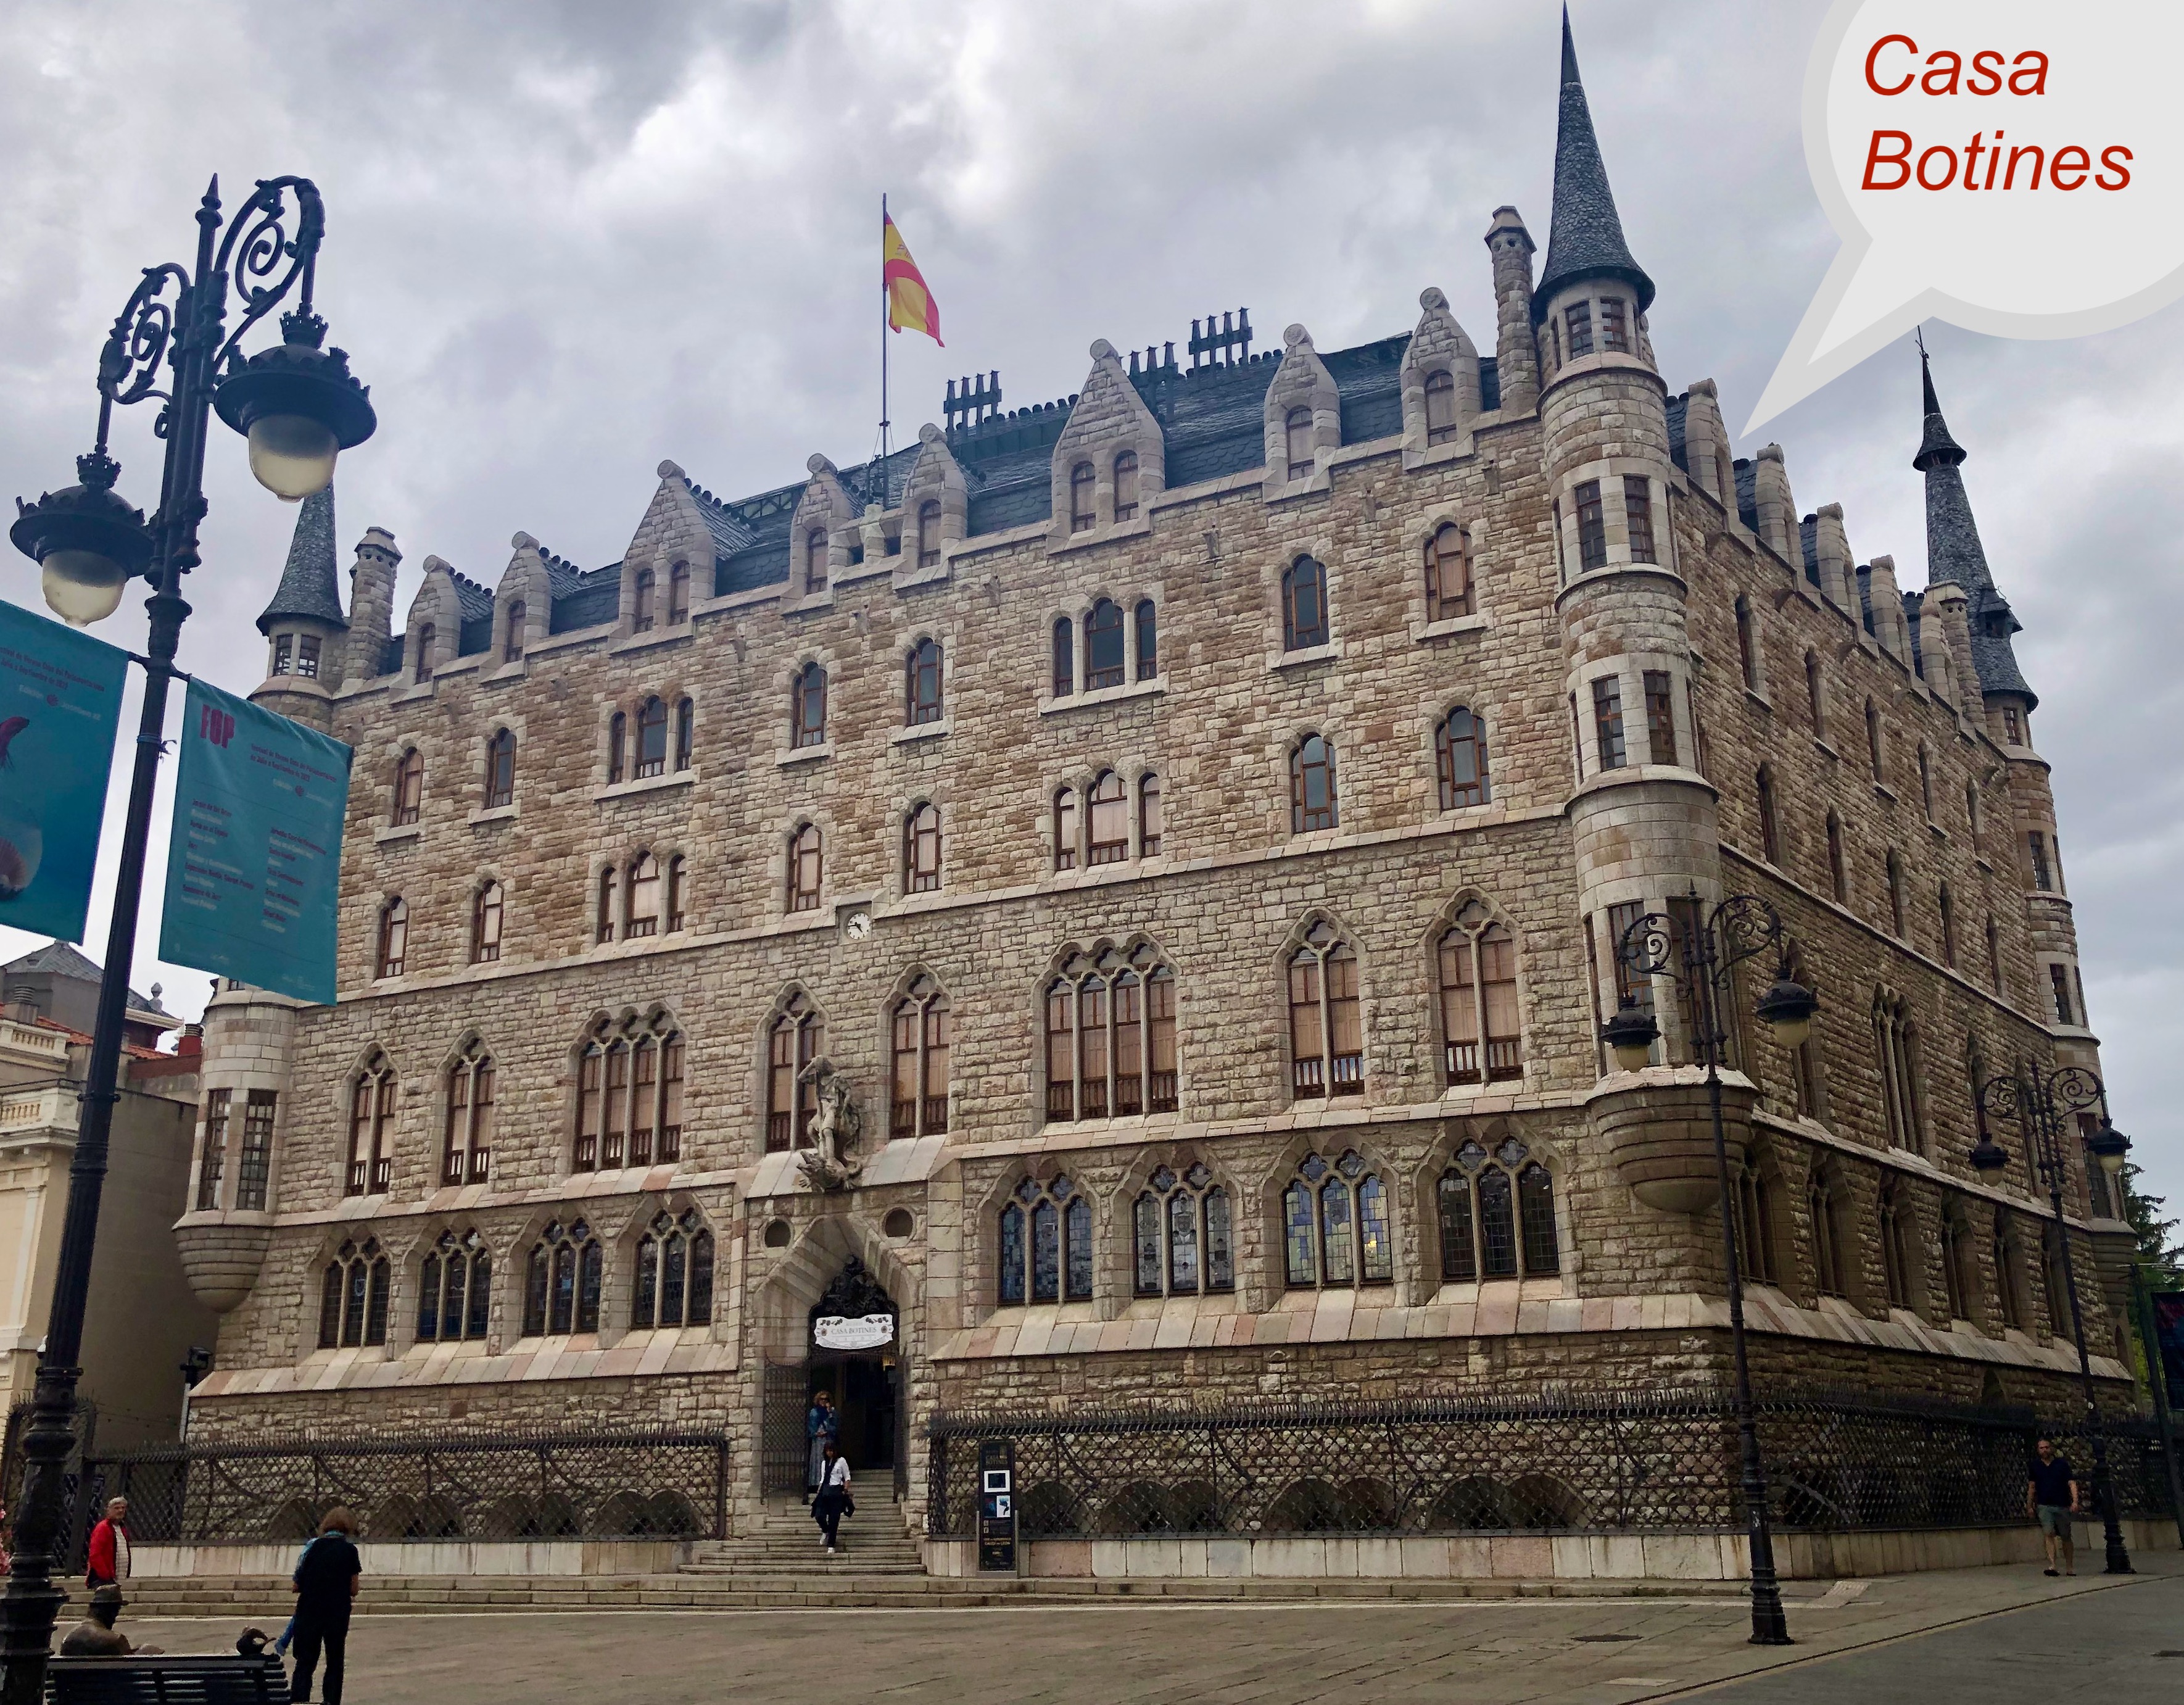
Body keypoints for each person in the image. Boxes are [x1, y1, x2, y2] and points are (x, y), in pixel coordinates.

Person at [287, 1506, 361, 1705]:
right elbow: (354, 1588)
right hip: (336, 1611)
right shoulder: (349, 1550)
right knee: (334, 1659)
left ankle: (299, 1699)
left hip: (309, 1609)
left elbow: (297, 1584)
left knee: (306, 1660)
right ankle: (331, 1700)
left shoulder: (312, 1548)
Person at [2027, 1435, 2080, 1577]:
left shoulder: (2061, 1464)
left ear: (2051, 1448)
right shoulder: (2036, 1466)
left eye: (2046, 1447)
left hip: (2062, 1504)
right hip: (2044, 1505)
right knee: (2049, 1533)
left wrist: (2075, 1501)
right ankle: (2053, 1565)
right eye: (2041, 1448)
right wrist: (2029, 1505)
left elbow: (2071, 1483)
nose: (2044, 1450)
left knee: (2066, 1536)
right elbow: (2032, 1486)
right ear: (2038, 1450)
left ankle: (2069, 1566)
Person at [59, 1584, 162, 1656]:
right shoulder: (116, 1640)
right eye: (116, 1610)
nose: (116, 1615)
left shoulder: (69, 1639)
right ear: (110, 1611)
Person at [811, 1442, 853, 1554]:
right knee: (819, 1515)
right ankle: (825, 1530)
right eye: (827, 1451)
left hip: (836, 1491)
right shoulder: (824, 1463)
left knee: (834, 1520)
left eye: (831, 1451)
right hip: (825, 1491)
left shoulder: (841, 1461)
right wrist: (819, 1492)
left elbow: (847, 1476)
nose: (829, 1453)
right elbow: (823, 1478)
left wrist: (845, 1490)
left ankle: (831, 1544)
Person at [84, 1496, 130, 1591]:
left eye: (123, 1508)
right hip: (103, 1579)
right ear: (109, 1511)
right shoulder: (103, 1528)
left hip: (115, 1579)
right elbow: (95, 1554)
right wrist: (105, 1575)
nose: (120, 1510)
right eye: (117, 1508)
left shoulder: (121, 1529)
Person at [805, 1390, 838, 1502]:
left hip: (828, 1439)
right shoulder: (814, 1412)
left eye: (826, 1400)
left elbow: (834, 1424)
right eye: (822, 1399)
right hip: (818, 1439)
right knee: (818, 1459)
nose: (824, 1401)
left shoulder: (832, 1412)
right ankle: (816, 1483)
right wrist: (815, 1433)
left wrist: (829, 1413)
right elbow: (811, 1426)